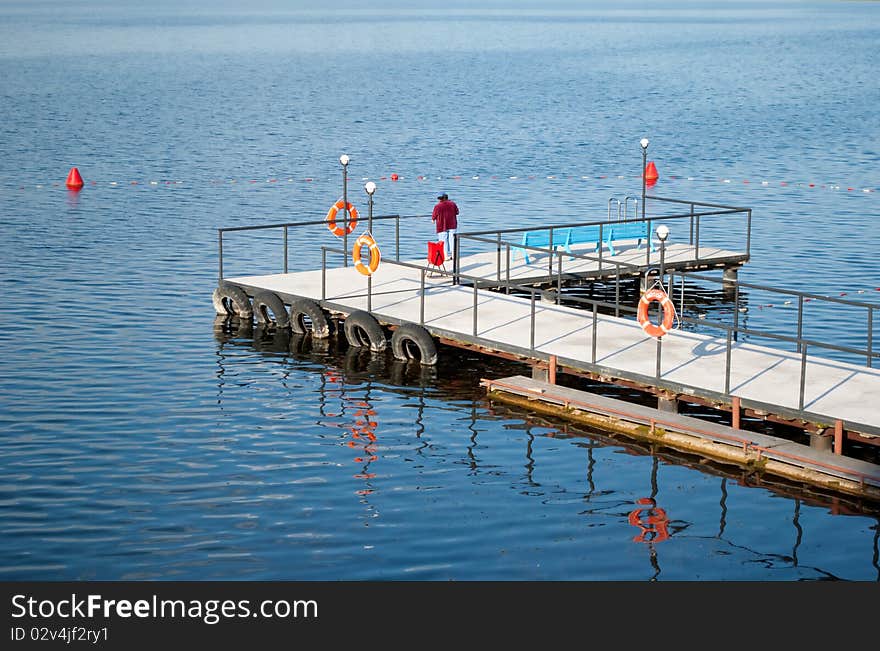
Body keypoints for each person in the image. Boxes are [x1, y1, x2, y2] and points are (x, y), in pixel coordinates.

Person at [431, 193, 459, 260]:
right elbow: (457, 212)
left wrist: (433, 219)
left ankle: (445, 256)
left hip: (441, 226)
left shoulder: (437, 206)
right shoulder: (453, 204)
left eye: (440, 199)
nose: (439, 200)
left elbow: (434, 215)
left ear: (442, 199)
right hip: (452, 224)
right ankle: (454, 255)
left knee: (443, 240)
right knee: (452, 240)